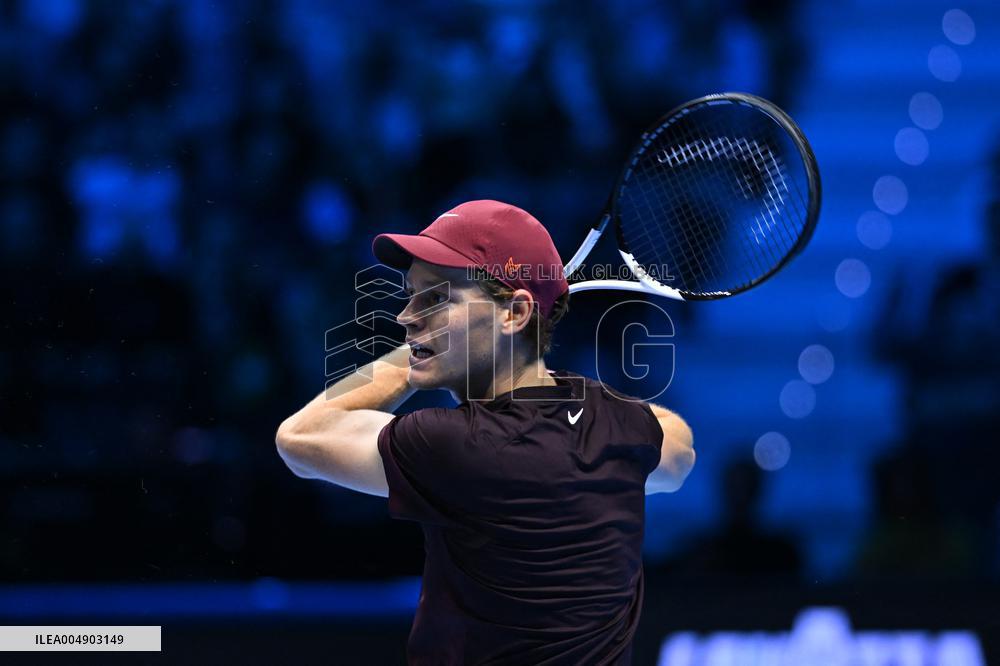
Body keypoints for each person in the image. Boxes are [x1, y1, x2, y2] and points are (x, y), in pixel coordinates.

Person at [275, 200, 695, 665]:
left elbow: (299, 438)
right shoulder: (619, 431)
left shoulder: (461, 445)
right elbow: (678, 448)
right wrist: (565, 397)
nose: (405, 317)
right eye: (410, 296)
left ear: (514, 313)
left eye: (436, 299)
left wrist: (409, 357)